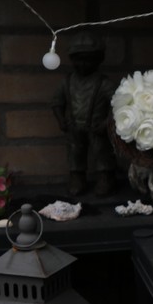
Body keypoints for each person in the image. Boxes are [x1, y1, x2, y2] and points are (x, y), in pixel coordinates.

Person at [51, 33, 118, 198]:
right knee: (75, 152)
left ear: (99, 60)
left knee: (102, 152)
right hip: (74, 127)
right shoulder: (67, 82)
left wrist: (106, 123)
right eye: (78, 60)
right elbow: (57, 102)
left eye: (88, 60)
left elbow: (118, 104)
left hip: (97, 128)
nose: (83, 64)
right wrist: (61, 120)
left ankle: (105, 177)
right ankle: (77, 177)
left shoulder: (104, 83)